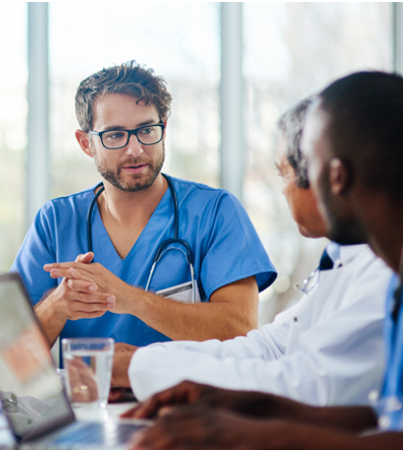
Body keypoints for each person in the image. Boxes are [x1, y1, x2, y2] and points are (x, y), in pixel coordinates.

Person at [126, 71, 403, 449]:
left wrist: (268, 433)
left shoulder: (382, 278)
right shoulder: (385, 274)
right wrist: (251, 405)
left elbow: (317, 386)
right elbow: (386, 416)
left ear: (336, 176)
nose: (295, 186)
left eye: (303, 167)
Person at [11, 61, 277, 350]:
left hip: (187, 395)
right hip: (90, 395)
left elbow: (239, 329)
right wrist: (56, 308)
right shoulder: (56, 222)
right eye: (115, 135)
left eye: (147, 130)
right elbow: (10, 353)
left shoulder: (215, 212)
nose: (135, 149)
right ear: (86, 143)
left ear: (163, 129)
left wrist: (129, 298)